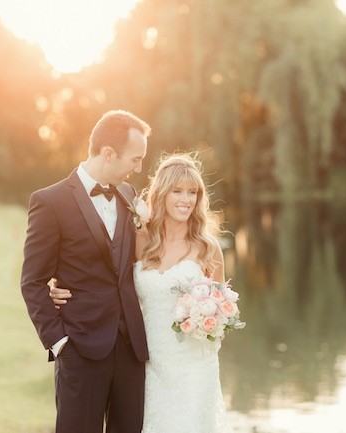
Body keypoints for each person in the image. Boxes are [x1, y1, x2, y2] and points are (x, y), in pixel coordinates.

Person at [51, 153, 234, 432]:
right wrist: (60, 286)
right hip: (147, 364)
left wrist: (207, 318)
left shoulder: (208, 249)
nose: (186, 199)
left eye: (193, 193)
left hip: (193, 366)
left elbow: (224, 311)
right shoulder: (141, 240)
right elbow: (106, 277)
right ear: (162, 193)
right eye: (178, 191)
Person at [20, 109, 151, 433]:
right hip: (79, 347)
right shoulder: (50, 202)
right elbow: (32, 281)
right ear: (109, 153)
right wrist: (59, 341)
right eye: (135, 160)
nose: (138, 168)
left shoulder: (129, 195)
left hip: (130, 349)